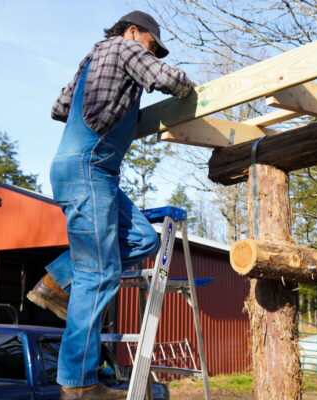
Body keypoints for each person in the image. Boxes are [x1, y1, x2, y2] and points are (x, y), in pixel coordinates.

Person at [26, 11, 194, 400]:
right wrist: (191, 88)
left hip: (88, 170)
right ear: (134, 32)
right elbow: (168, 79)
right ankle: (79, 384)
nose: (153, 56)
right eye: (151, 47)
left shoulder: (90, 61)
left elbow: (59, 108)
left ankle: (55, 282)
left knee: (142, 239)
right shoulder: (121, 46)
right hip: (89, 166)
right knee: (97, 276)